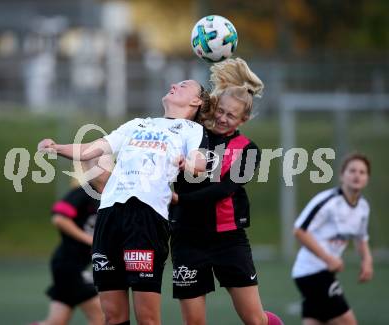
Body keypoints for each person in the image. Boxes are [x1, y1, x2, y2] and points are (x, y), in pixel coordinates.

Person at [37, 79, 210, 325]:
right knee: (113, 317)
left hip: (146, 218)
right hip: (109, 216)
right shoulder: (137, 124)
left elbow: (200, 165)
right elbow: (92, 150)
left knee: (147, 318)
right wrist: (56, 147)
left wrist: (188, 164)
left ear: (197, 101)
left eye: (184, 85)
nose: (175, 84)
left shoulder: (192, 130)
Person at [170, 58, 283, 325]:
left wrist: (179, 199)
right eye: (220, 110)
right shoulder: (193, 133)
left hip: (228, 240)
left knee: (255, 319)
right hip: (188, 238)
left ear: (244, 119)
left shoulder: (248, 149)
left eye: (231, 115)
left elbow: (223, 189)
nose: (222, 118)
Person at [292, 153, 373, 325]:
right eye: (352, 171)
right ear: (342, 175)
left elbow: (361, 237)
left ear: (367, 178)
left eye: (362, 172)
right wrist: (328, 258)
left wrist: (367, 260)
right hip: (311, 272)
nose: (357, 175)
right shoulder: (328, 201)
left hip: (324, 273)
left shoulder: (363, 207)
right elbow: (299, 231)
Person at [31, 160, 110, 325]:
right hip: (68, 266)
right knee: (100, 315)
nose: (103, 170)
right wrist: (90, 239)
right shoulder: (83, 192)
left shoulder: (106, 195)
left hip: (71, 266)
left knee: (56, 322)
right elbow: (59, 218)